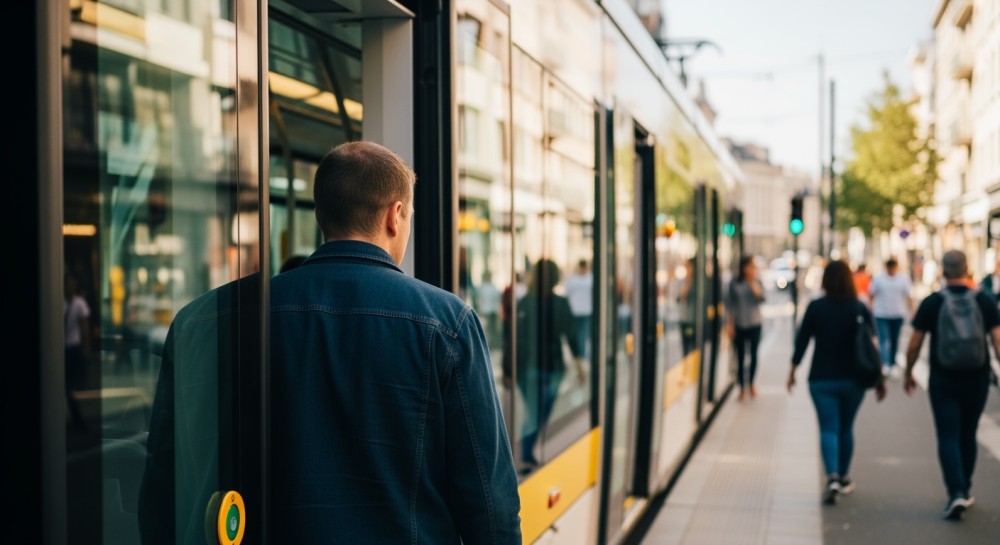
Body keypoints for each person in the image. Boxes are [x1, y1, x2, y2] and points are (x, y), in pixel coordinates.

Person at [268, 141, 521, 542]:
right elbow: (490, 504)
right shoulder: (448, 322)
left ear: (320, 214)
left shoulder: (239, 312)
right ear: (394, 215)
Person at [903, 249, 1000, 521]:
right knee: (968, 434)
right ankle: (965, 489)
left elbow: (915, 342)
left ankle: (955, 491)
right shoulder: (984, 300)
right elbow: (998, 340)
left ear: (943, 271)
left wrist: (909, 372)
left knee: (947, 435)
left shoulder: (932, 302)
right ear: (967, 269)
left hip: (943, 379)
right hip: (976, 378)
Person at [787, 260, 887, 505]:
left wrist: (792, 370)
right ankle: (843, 477)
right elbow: (873, 345)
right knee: (846, 427)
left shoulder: (816, 307)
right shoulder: (859, 308)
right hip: (854, 379)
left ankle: (831, 477)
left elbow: (802, 341)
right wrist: (880, 379)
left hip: (821, 379)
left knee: (828, 428)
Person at [515, 258, 582, 469]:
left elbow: (513, 339)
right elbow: (571, 335)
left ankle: (526, 452)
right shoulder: (560, 303)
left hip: (528, 368)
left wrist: (510, 369)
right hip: (552, 368)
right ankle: (525, 453)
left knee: (535, 413)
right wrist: (579, 365)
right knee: (538, 414)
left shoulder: (524, 303)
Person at [726, 255, 766, 400]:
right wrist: (730, 324)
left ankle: (751, 383)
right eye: (751, 266)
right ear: (744, 268)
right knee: (740, 356)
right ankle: (742, 387)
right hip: (739, 324)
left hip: (755, 323)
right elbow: (730, 305)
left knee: (754, 355)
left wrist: (753, 283)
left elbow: (762, 298)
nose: (753, 269)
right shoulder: (735, 283)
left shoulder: (757, 281)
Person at [868, 257, 913, 377]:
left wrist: (912, 310)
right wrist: (870, 308)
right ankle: (885, 363)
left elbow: (909, 296)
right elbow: (871, 294)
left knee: (894, 340)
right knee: (883, 339)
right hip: (881, 314)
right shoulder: (879, 279)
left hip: (897, 314)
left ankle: (892, 363)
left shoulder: (903, 279)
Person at [64, 271, 90, 431]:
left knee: (71, 386)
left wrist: (86, 348)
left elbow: (85, 327)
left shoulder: (79, 303)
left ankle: (77, 418)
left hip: (73, 347)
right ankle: (76, 418)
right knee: (68, 386)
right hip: (64, 348)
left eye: (72, 283)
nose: (70, 286)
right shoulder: (60, 302)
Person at [564, 259, 593, 363]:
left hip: (584, 310)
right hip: (577, 310)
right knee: (580, 333)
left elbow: (568, 293)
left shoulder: (575, 279)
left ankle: (581, 353)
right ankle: (581, 353)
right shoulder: (588, 279)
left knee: (583, 333)